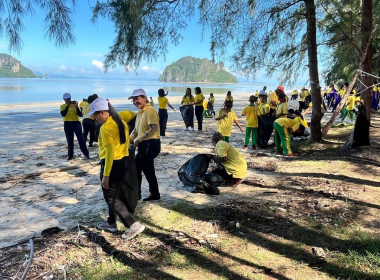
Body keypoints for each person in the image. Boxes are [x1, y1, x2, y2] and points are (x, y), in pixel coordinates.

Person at [86, 98, 144, 240]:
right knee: (113, 194)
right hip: (124, 162)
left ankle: (132, 225)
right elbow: (126, 144)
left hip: (112, 164)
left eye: (96, 115)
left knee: (111, 197)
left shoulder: (105, 128)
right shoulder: (121, 123)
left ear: (103, 112)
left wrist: (106, 176)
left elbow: (110, 153)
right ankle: (111, 222)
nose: (95, 118)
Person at [129, 89, 161, 201]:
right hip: (144, 143)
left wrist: (139, 139)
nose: (135, 101)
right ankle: (154, 193)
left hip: (151, 143)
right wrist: (129, 139)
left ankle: (136, 194)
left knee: (137, 167)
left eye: (137, 99)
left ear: (144, 98)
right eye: (133, 100)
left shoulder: (150, 111)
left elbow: (154, 129)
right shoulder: (139, 113)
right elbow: (136, 131)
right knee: (148, 169)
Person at [60, 93, 90, 160]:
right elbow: (63, 114)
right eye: (67, 99)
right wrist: (67, 105)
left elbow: (80, 115)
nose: (68, 100)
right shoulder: (62, 106)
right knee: (70, 140)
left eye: (69, 99)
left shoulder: (74, 106)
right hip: (67, 123)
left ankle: (86, 154)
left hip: (76, 123)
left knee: (81, 139)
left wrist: (77, 107)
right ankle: (70, 155)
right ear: (64, 99)